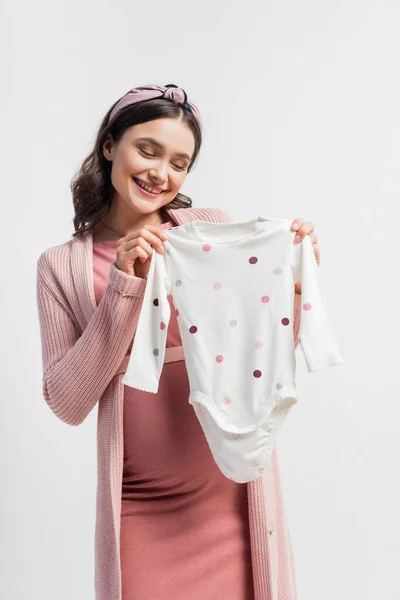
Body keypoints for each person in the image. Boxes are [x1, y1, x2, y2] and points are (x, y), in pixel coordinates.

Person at [36, 83, 320, 600]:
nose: (160, 173)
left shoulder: (209, 229)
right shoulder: (62, 267)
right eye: (147, 150)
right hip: (139, 510)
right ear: (108, 145)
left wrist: (294, 284)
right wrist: (125, 283)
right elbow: (66, 401)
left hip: (232, 500)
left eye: (179, 163)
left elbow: (260, 348)